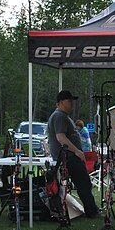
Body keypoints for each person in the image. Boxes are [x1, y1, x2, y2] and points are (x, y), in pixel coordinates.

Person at [47, 90, 99, 218]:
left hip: (69, 157)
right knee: (83, 183)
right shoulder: (59, 116)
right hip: (68, 157)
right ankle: (92, 212)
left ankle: (91, 210)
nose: (72, 104)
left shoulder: (63, 116)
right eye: (69, 101)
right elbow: (61, 138)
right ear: (60, 102)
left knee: (84, 183)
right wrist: (76, 151)